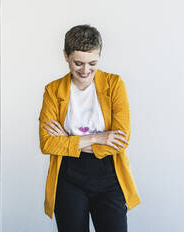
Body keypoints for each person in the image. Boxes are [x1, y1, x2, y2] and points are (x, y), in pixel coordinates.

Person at [38, 24, 141, 232]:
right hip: (68, 177)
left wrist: (67, 139)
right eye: (78, 63)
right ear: (65, 56)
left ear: (99, 57)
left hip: (109, 175)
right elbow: (47, 143)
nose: (85, 70)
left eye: (92, 63)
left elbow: (120, 141)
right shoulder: (53, 90)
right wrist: (97, 138)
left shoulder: (114, 85)